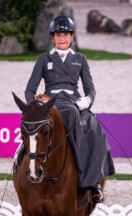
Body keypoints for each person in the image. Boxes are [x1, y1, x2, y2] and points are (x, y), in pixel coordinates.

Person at [24, 15, 115, 203]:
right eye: (58, 34)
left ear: (72, 37)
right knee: (32, 128)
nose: (62, 38)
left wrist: (87, 100)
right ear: (52, 37)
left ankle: (94, 181)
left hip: (75, 101)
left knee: (97, 131)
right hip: (50, 103)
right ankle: (20, 161)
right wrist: (34, 107)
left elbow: (90, 88)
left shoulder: (80, 59)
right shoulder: (44, 59)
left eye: (66, 34)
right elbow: (29, 89)